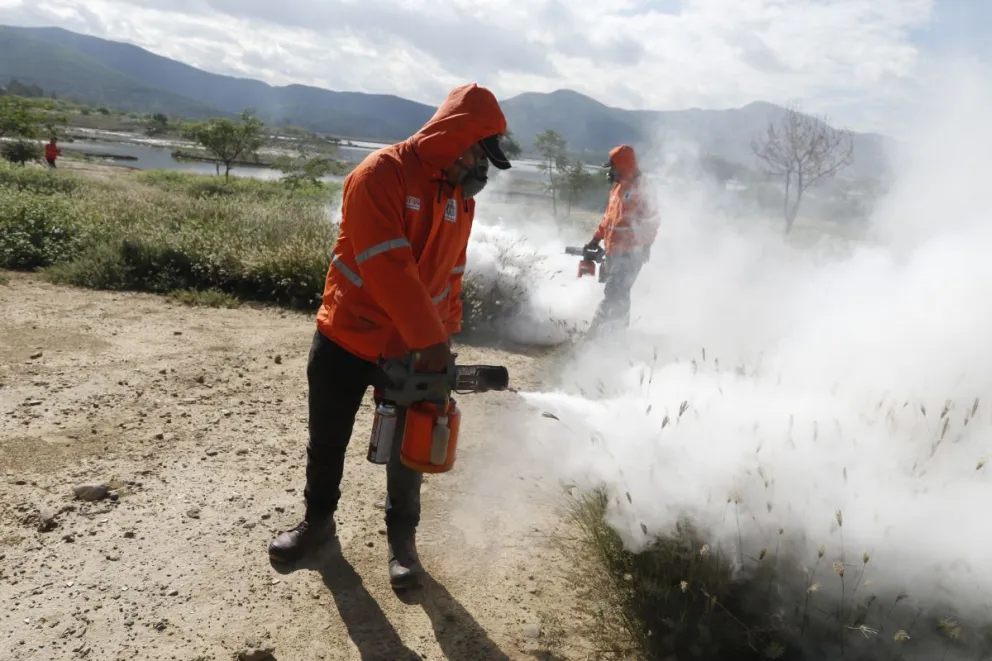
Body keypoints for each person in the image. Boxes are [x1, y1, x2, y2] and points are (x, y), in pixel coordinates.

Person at [267, 83, 511, 590]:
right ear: (454, 137)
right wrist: (433, 343)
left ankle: (403, 542)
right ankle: (317, 526)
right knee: (327, 438)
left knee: (411, 448)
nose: (480, 167)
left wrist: (445, 332)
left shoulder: (459, 200)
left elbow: (452, 272)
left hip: (414, 346)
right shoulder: (380, 175)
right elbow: (388, 266)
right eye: (477, 152)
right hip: (347, 335)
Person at [584, 144, 658, 335]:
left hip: (631, 253)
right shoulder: (616, 190)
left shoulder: (643, 188)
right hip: (613, 251)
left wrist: (642, 246)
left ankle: (593, 336)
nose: (610, 173)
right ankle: (615, 335)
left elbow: (652, 220)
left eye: (613, 168)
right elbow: (608, 220)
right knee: (619, 294)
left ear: (623, 166)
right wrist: (595, 240)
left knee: (614, 294)